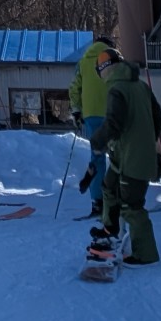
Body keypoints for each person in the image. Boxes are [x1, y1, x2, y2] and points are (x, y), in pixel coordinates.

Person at [88, 47, 161, 265]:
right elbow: (159, 116)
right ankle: (110, 227)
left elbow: (114, 123)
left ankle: (146, 254)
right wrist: (148, 139)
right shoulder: (140, 86)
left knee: (132, 206)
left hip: (133, 158)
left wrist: (97, 141)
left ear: (104, 69)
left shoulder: (117, 89)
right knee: (109, 185)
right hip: (124, 156)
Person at [71, 35, 116, 213]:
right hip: (112, 113)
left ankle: (97, 203)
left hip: (91, 116)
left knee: (96, 158)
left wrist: (76, 111)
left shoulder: (83, 62)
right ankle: (118, 200)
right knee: (117, 157)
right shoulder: (112, 57)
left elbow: (74, 87)